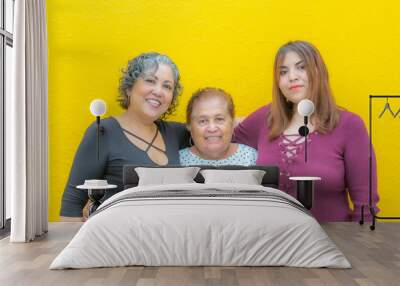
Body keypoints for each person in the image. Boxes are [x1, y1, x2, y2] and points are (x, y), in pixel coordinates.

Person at [234, 41, 379, 221]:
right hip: (272, 243)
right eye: (283, 72)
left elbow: (365, 206)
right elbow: (219, 137)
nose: (292, 77)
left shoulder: (350, 125)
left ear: (319, 72)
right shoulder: (264, 119)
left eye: (301, 67)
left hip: (330, 242)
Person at [60, 52, 190, 221]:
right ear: (129, 87)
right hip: (117, 243)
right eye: (150, 80)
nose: (159, 91)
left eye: (167, 86)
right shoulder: (102, 132)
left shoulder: (175, 133)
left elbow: (220, 126)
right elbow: (72, 206)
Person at [180, 87, 257, 166]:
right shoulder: (178, 161)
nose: (212, 128)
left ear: (232, 123)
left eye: (219, 119)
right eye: (203, 121)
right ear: (189, 126)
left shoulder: (250, 158)